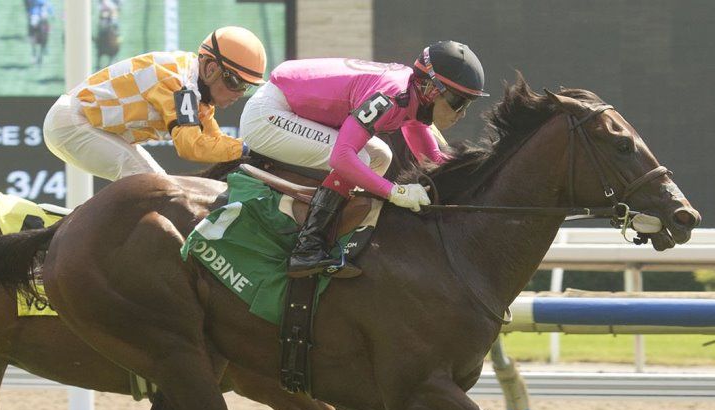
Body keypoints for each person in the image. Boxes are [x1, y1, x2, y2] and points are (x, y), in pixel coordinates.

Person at [239, 41, 487, 277]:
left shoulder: (411, 96)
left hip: (285, 104)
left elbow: (432, 159)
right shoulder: (391, 95)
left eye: (468, 104)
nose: (462, 113)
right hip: (268, 114)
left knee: (381, 156)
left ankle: (332, 232)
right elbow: (342, 157)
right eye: (458, 102)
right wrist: (395, 192)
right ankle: (307, 248)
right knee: (359, 157)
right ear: (431, 90)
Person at [43, 26, 266, 180]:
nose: (239, 93)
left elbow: (214, 140)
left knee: (156, 184)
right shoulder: (181, 85)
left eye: (246, 87)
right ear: (211, 69)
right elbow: (191, 146)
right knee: (153, 185)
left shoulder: (196, 90)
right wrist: (248, 149)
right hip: (73, 123)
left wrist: (252, 149)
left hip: (80, 122)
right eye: (235, 82)